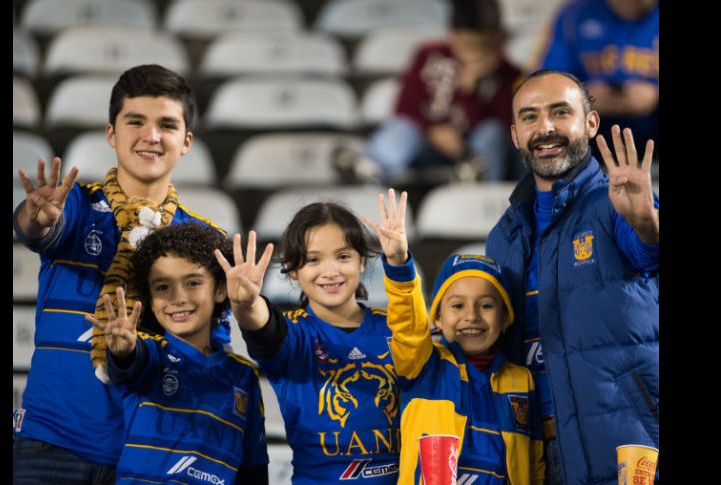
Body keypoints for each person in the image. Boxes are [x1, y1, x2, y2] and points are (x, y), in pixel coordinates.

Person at [13, 64, 228, 484]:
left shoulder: (205, 240)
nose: (151, 136)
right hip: (49, 446)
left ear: (186, 142)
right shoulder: (72, 205)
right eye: (136, 122)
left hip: (150, 454)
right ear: (111, 133)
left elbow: (208, 357)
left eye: (166, 125)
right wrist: (36, 218)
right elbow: (35, 229)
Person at [485, 69, 659, 484]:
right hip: (537, 452)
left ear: (591, 123)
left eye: (560, 112)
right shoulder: (503, 236)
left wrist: (648, 223)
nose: (545, 128)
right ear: (514, 135)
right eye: (530, 117)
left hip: (624, 446)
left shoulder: (619, 203)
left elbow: (648, 250)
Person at [362, 189, 544, 484]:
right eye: (457, 305)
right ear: (436, 318)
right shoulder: (424, 366)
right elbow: (408, 329)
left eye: (486, 305)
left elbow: (535, 462)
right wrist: (399, 264)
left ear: (506, 317)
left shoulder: (522, 380)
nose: (471, 315)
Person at [214, 204, 401, 484]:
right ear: (292, 271)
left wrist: (400, 262)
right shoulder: (294, 335)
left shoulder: (396, 329)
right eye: (313, 260)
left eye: (343, 256)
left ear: (362, 261)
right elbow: (264, 327)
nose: (330, 271)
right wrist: (246, 303)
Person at [85, 222, 268, 484]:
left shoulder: (244, 375)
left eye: (192, 282)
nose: (177, 298)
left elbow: (253, 469)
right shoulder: (151, 352)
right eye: (162, 287)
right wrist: (122, 350)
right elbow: (129, 363)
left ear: (219, 290)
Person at [344, 0, 525, 183]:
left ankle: (478, 181)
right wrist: (431, 131)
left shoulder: (508, 74)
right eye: (467, 44)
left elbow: (505, 131)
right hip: (424, 144)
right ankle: (369, 167)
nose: (474, 53)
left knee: (492, 132)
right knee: (403, 127)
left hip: (471, 152)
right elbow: (404, 109)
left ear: (496, 38)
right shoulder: (428, 55)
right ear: (452, 35)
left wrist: (469, 89)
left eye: (482, 45)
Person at [537, 0, 659, 158]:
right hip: (588, 145)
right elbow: (544, 85)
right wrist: (583, 98)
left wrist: (655, 96)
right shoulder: (574, 15)